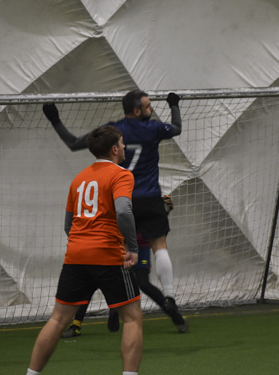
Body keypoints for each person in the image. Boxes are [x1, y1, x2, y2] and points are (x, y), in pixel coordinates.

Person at [43, 89, 184, 319]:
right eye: (148, 106)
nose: (151, 109)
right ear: (136, 111)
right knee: (159, 246)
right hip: (149, 198)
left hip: (121, 199)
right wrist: (174, 105)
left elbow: (73, 143)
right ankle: (168, 296)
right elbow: (176, 128)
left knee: (120, 252)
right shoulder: (154, 128)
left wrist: (55, 120)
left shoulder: (113, 131)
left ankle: (109, 308)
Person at [26, 125, 142, 375]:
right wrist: (132, 247)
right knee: (132, 318)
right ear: (114, 149)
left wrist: (83, 244)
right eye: (122, 143)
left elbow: (68, 225)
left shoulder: (79, 179)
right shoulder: (122, 175)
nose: (124, 146)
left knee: (58, 319)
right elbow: (123, 211)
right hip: (108, 256)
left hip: (75, 257)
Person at [62, 195, 188, 338]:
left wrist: (161, 208)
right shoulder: (120, 196)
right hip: (120, 243)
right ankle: (77, 325)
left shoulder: (140, 195)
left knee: (142, 282)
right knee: (92, 283)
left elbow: (156, 210)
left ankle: (173, 313)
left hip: (139, 244)